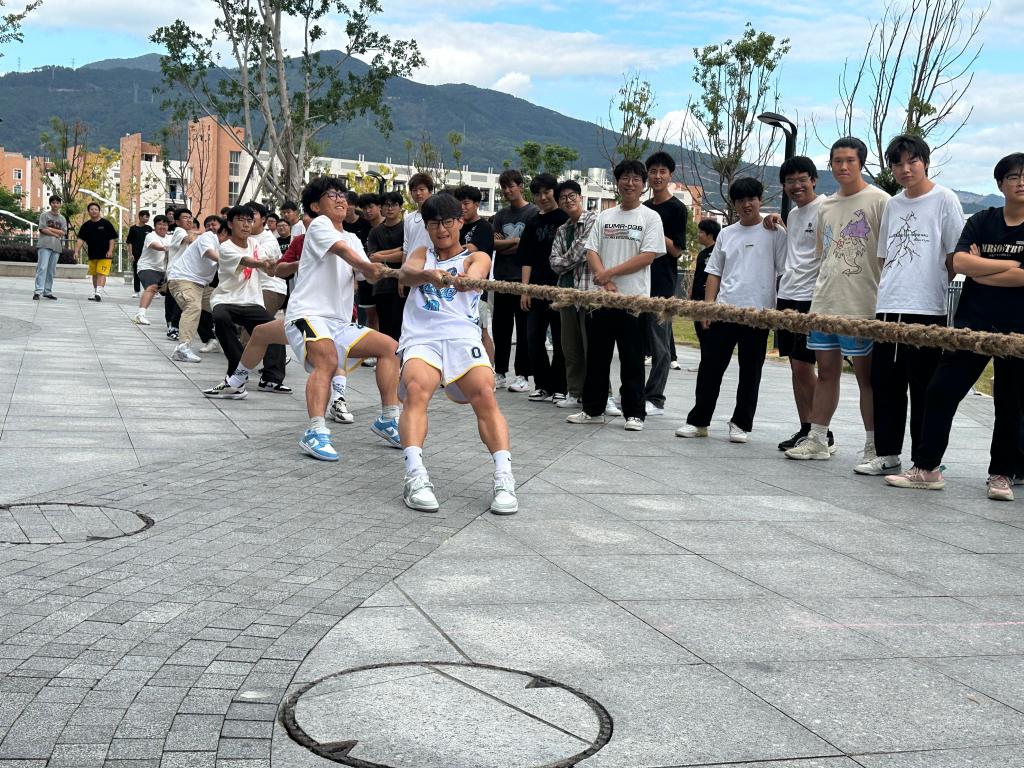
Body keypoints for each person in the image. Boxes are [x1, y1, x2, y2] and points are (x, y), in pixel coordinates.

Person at [887, 152, 1024, 500]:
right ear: (1000, 184)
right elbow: (960, 262)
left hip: (1019, 329)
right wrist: (1010, 265)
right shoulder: (983, 219)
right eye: (1013, 176)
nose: (1021, 182)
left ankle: (1002, 474)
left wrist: (983, 268)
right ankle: (927, 468)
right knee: (940, 391)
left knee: (1011, 401)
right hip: (972, 325)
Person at [397, 192, 518, 515]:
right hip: (422, 337)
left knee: (484, 393)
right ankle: (415, 476)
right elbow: (406, 274)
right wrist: (426, 275)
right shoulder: (421, 254)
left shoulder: (475, 257)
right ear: (426, 226)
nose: (441, 230)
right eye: (434, 223)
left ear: (460, 222)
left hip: (463, 336)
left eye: (448, 222)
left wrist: (465, 281)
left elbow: (478, 273)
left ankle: (504, 478)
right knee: (415, 389)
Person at [855, 135, 964, 476]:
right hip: (890, 304)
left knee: (924, 386)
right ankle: (887, 453)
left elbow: (954, 256)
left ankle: (923, 460)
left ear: (925, 162)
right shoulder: (894, 204)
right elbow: (884, 256)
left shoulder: (945, 199)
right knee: (885, 382)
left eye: (912, 161)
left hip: (928, 307)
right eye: (897, 163)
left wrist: (936, 289)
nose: (905, 169)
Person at [785, 137, 890, 463]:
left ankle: (874, 445)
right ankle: (817, 439)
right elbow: (824, 255)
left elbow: (886, 257)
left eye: (850, 160)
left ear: (861, 163)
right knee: (827, 373)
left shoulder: (880, 200)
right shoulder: (826, 206)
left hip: (863, 304)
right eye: (837, 161)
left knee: (866, 379)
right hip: (825, 301)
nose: (843, 167)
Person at [283, 177, 401, 462]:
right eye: (332, 195)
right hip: (308, 314)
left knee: (390, 348)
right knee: (326, 360)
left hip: (339, 322)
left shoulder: (353, 238)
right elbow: (346, 255)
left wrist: (411, 274)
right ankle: (315, 431)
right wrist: (367, 266)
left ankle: (389, 419)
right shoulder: (319, 225)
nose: (340, 199)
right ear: (315, 206)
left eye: (342, 195)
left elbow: (365, 273)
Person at [676, 178, 787, 443]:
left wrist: (779, 312)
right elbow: (714, 272)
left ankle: (741, 424)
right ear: (734, 204)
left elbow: (784, 272)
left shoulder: (775, 233)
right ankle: (699, 421)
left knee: (751, 371)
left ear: (760, 199)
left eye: (752, 199)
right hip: (725, 310)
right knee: (710, 368)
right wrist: (708, 308)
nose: (747, 205)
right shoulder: (727, 233)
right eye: (740, 200)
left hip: (759, 314)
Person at [566, 159, 665, 431]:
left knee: (632, 359)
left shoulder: (650, 217)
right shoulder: (604, 216)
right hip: (601, 301)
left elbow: (647, 256)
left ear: (643, 185)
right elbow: (591, 250)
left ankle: (635, 413)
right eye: (625, 178)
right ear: (617, 182)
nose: (630, 183)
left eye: (636, 179)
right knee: (597, 358)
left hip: (633, 301)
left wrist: (609, 274)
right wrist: (604, 280)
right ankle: (593, 409)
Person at [763, 157, 828, 451]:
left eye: (802, 179)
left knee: (804, 366)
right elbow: (798, 248)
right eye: (790, 181)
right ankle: (805, 428)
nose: (796, 186)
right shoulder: (795, 213)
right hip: (787, 294)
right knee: (794, 365)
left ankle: (821, 432)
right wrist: (777, 221)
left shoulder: (826, 208)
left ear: (814, 180)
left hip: (811, 298)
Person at [203, 205, 289, 396]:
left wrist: (274, 266)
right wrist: (263, 263)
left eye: (249, 220)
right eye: (241, 220)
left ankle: (271, 379)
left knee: (274, 331)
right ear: (230, 224)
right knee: (221, 318)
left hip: (252, 301)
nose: (246, 224)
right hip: (226, 299)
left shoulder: (255, 244)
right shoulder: (225, 247)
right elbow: (247, 261)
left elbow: (268, 264)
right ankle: (238, 372)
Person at [518, 173, 570, 403]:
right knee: (534, 338)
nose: (543, 197)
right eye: (538, 194)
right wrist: (525, 289)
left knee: (561, 340)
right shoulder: (532, 222)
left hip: (560, 289)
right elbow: (526, 258)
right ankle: (542, 385)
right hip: (536, 288)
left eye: (547, 192)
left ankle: (560, 386)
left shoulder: (565, 218)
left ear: (554, 192)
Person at [643, 151, 688, 415]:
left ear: (670, 175)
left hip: (662, 284)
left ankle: (655, 398)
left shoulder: (677, 209)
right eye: (653, 171)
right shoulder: (643, 207)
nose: (657, 176)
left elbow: (676, 250)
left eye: (662, 172)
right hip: (638, 282)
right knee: (636, 343)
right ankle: (635, 393)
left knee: (660, 346)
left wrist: (654, 227)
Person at [549, 180, 598, 410]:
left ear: (580, 197)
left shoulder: (594, 220)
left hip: (590, 292)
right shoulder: (562, 229)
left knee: (593, 347)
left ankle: (601, 394)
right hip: (566, 293)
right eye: (563, 198)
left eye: (572, 196)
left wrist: (566, 260)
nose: (568, 201)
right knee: (570, 347)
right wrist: (569, 259)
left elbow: (584, 251)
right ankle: (575, 392)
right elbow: (554, 263)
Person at [491, 169, 537, 393]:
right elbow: (493, 244)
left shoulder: (533, 213)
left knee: (524, 329)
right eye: (504, 187)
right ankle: (499, 373)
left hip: (523, 280)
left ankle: (523, 375)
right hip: (501, 278)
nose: (508, 190)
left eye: (511, 186)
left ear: (520, 186)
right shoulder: (501, 215)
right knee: (501, 329)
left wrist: (510, 244)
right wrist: (516, 242)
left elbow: (530, 247)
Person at [167, 215, 231, 363]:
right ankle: (182, 349)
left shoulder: (226, 247)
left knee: (226, 305)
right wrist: (234, 261)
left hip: (202, 286)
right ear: (224, 232)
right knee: (193, 306)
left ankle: (225, 342)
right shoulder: (209, 237)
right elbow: (209, 253)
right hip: (183, 279)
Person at [454, 185, 496, 364]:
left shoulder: (484, 227)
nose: (462, 207)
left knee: (482, 330)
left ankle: (490, 370)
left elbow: (471, 249)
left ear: (477, 204)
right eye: (459, 204)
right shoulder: (456, 225)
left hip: (478, 289)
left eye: (466, 203)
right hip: (456, 287)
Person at [367, 191, 406, 342]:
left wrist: (381, 256)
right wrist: (398, 251)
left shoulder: (406, 228)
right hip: (381, 286)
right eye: (386, 205)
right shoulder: (375, 231)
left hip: (402, 285)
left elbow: (406, 254)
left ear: (400, 207)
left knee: (401, 327)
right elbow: (372, 258)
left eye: (394, 205)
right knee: (385, 328)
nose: (390, 208)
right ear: (381, 208)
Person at [248, 201, 287, 317]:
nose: (248, 217)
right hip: (246, 288)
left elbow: (260, 256)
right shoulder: (242, 237)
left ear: (263, 219)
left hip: (269, 287)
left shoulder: (269, 239)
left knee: (255, 322)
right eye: (244, 215)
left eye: (253, 213)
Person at [131, 215, 170, 327]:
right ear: (155, 226)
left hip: (164, 270)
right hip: (147, 267)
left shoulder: (170, 237)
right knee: (152, 287)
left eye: (165, 224)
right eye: (159, 224)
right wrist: (164, 248)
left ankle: (172, 320)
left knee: (173, 292)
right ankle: (140, 315)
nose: (162, 226)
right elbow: (155, 245)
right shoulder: (150, 236)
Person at [76, 202, 117, 302]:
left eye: (96, 209)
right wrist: (76, 251)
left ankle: (98, 292)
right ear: (88, 211)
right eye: (91, 209)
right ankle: (96, 292)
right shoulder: (86, 226)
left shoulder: (106, 224)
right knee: (94, 274)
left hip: (105, 254)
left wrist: (110, 251)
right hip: (92, 254)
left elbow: (112, 239)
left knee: (101, 273)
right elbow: (80, 239)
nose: (94, 211)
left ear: (99, 211)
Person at [34, 195, 66, 301]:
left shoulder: (62, 218)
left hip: (56, 247)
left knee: (51, 270)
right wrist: (56, 234)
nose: (55, 204)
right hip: (44, 245)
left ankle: (47, 291)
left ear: (60, 204)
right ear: (50, 204)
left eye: (57, 203)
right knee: (42, 268)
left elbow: (63, 232)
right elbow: (42, 229)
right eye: (53, 202)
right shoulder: (44, 215)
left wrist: (50, 229)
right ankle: (38, 291)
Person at [126, 210, 152, 297]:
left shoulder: (149, 229)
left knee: (148, 272)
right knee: (136, 272)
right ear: (140, 217)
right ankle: (137, 291)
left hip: (147, 255)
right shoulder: (133, 228)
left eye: (148, 217)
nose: (147, 218)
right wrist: (130, 254)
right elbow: (129, 242)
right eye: (146, 217)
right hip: (136, 254)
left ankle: (150, 291)